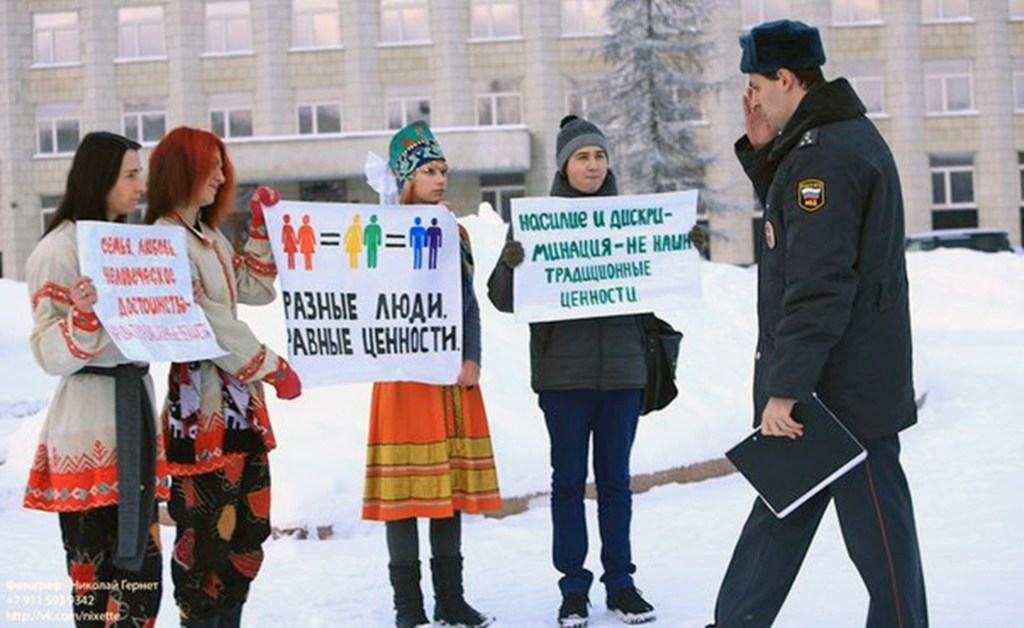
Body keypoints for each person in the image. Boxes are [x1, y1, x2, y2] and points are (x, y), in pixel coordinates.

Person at [707, 20, 927, 627]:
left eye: (756, 84)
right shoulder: (831, 142)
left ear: (785, 78)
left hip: (841, 395)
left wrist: (786, 387)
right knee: (781, 517)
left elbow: (818, 284)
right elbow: (809, 238)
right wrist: (762, 154)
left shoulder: (823, 159)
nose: (751, 97)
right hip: (836, 384)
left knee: (879, 539)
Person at [488, 115, 657, 627]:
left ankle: (621, 583)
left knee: (616, 483)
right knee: (568, 483)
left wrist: (672, 249)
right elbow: (501, 298)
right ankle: (573, 588)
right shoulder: (538, 222)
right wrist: (510, 264)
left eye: (600, 156)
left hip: (624, 373)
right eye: (583, 157)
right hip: (564, 378)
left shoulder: (631, 219)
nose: (593, 165)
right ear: (565, 164)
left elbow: (658, 285)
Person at [144, 126, 303, 628]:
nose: (219, 176)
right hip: (201, 408)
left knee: (246, 533)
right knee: (204, 539)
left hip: (238, 406)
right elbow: (204, 318)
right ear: (180, 171)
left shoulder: (206, 236)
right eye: (209, 165)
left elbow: (253, 287)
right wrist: (272, 367)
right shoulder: (164, 239)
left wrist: (261, 227)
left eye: (221, 165)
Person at [24, 131, 168, 627]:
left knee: (143, 579)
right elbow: (47, 351)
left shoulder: (127, 244)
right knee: (99, 578)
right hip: (90, 420)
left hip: (133, 411)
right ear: (99, 178)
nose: (140, 184)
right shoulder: (59, 250)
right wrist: (82, 318)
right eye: (130, 174)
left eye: (139, 172)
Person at [362, 120, 501, 628]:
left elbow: (468, 303)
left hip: (447, 375)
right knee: (403, 496)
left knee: (446, 490)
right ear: (405, 177)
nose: (439, 178)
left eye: (443, 169)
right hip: (400, 377)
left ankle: (451, 598)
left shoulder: (455, 231)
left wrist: (473, 357)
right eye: (428, 169)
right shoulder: (379, 229)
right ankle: (409, 607)